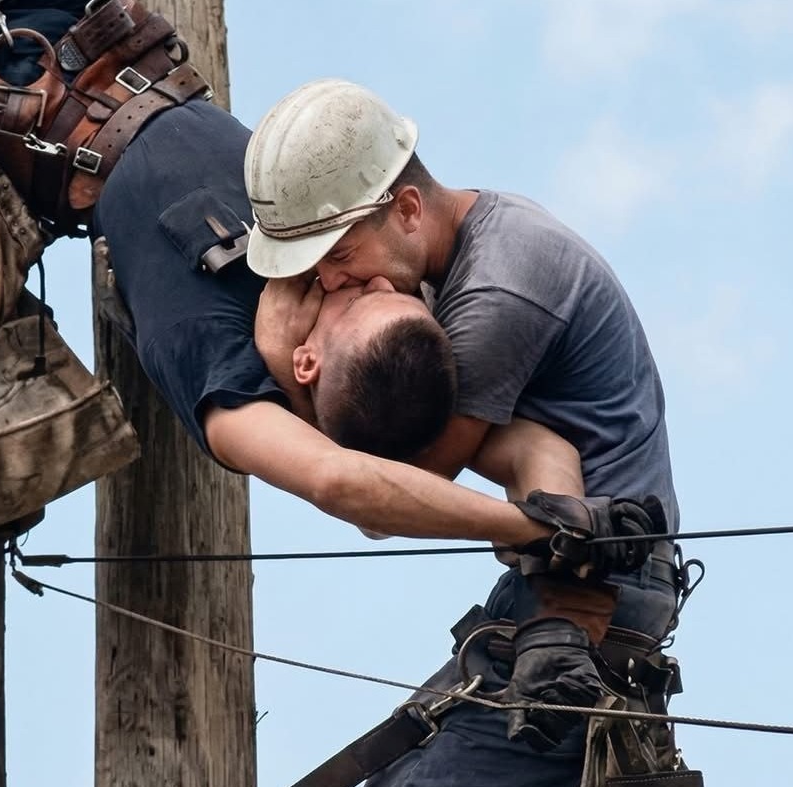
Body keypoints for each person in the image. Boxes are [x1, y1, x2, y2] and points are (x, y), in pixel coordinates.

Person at [0, 2, 670, 781]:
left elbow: (352, 487)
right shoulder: (374, 274)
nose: (344, 283)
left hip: (21, 110)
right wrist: (553, 523)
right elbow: (527, 451)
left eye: (349, 284)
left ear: (315, 370)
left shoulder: (242, 385)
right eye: (353, 279)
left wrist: (548, 541)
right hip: (103, 51)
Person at [246, 79, 695, 785]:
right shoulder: (446, 258)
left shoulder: (496, 293)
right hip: (548, 578)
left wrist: (283, 359)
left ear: (406, 208)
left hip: (593, 592)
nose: (328, 282)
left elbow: (388, 495)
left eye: (336, 256)